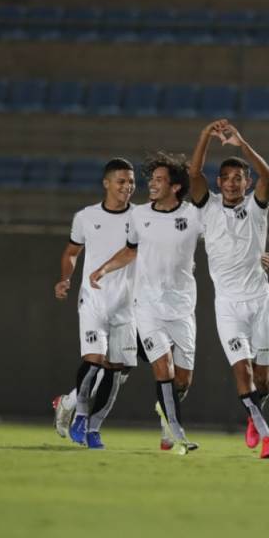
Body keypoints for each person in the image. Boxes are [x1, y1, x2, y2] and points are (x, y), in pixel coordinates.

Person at [89, 151, 203, 455]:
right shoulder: (138, 215)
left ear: (175, 186)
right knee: (162, 367)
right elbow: (130, 251)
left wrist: (253, 256)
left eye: (159, 180)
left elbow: (220, 242)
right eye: (151, 179)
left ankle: (165, 413)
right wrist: (103, 268)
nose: (151, 184)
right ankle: (177, 432)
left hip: (182, 308)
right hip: (147, 306)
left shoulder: (193, 215)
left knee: (183, 379)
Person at [189, 120, 269, 459]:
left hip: (260, 302)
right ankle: (267, 435)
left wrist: (241, 143)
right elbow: (193, 173)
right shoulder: (207, 206)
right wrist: (204, 137)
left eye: (237, 178)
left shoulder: (256, 207)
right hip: (227, 306)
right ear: (218, 183)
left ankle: (254, 415)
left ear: (247, 182)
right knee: (242, 372)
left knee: (263, 377)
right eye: (225, 178)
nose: (230, 183)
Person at [52, 158, 138, 450]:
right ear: (106, 183)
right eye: (121, 181)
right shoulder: (86, 217)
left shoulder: (140, 217)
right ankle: (80, 417)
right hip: (93, 299)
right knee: (93, 362)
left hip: (126, 306)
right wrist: (66, 278)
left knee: (115, 373)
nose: (127, 187)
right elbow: (71, 252)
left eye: (131, 182)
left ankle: (87, 421)